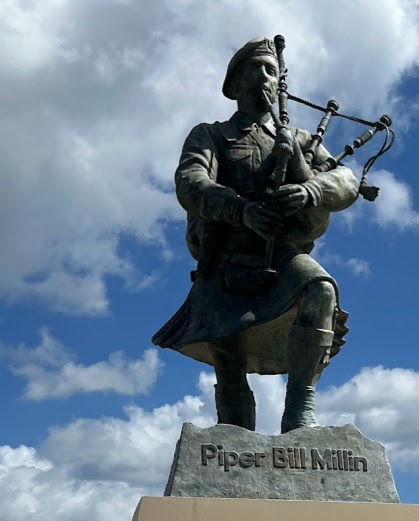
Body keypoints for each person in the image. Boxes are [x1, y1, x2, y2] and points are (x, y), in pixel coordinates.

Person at [152, 37, 360, 433]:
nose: (266, 77)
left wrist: (309, 185)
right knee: (229, 356)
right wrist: (240, 210)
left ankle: (300, 411)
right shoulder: (210, 135)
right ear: (233, 84)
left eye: (272, 70)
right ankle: (234, 440)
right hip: (225, 258)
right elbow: (190, 181)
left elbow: (345, 181)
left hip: (280, 255)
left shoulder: (300, 139)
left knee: (320, 289)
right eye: (256, 68)